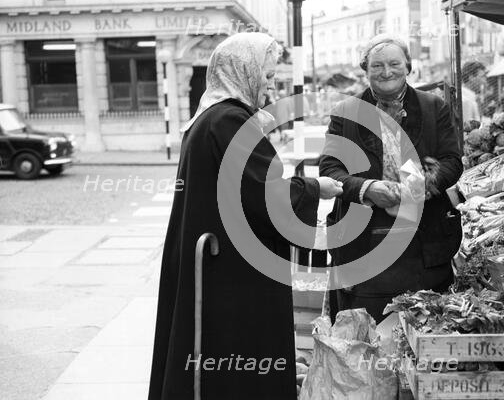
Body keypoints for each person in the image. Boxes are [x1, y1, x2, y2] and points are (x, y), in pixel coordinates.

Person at [148, 32, 342, 400]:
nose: (271, 86)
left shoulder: (211, 118)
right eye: (267, 76)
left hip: (216, 261)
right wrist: (316, 188)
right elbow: (266, 197)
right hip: (232, 273)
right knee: (236, 359)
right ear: (243, 71)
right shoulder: (230, 122)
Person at [320, 34, 463, 324]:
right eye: (377, 66)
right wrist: (367, 188)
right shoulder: (345, 114)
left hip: (425, 248)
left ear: (408, 66)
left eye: (395, 63)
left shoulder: (434, 108)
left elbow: (452, 162)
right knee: (366, 339)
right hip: (364, 250)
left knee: (426, 329)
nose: (387, 72)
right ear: (365, 69)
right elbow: (329, 169)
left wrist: (422, 184)